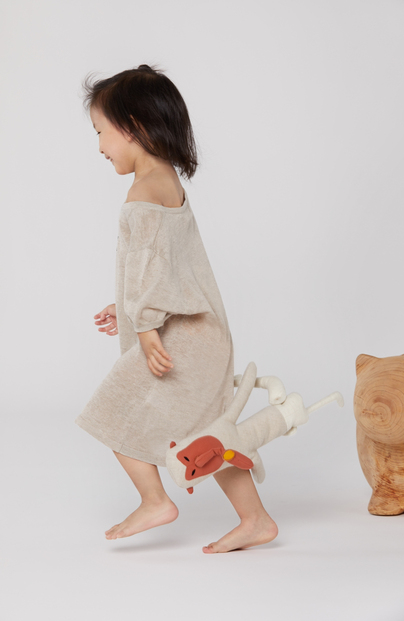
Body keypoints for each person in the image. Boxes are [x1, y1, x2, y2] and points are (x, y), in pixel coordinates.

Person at [75, 64, 278, 553]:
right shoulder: (165, 180)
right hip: (204, 335)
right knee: (206, 434)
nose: (99, 146)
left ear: (132, 126)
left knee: (111, 411)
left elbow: (150, 269)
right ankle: (257, 521)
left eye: (101, 132)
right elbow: (166, 269)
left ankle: (155, 501)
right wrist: (127, 307)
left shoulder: (142, 192)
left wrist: (144, 325)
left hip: (179, 340)